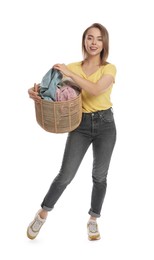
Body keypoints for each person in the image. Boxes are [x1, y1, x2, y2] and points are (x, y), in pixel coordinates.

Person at [27, 23, 117, 241]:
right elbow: (52, 89)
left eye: (98, 38)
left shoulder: (109, 68)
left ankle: (93, 220)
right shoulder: (73, 67)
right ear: (84, 41)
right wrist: (34, 91)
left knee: (100, 176)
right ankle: (42, 213)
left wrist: (68, 73)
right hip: (80, 125)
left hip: (106, 125)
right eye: (89, 38)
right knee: (65, 175)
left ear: (104, 43)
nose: (93, 42)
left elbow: (95, 90)